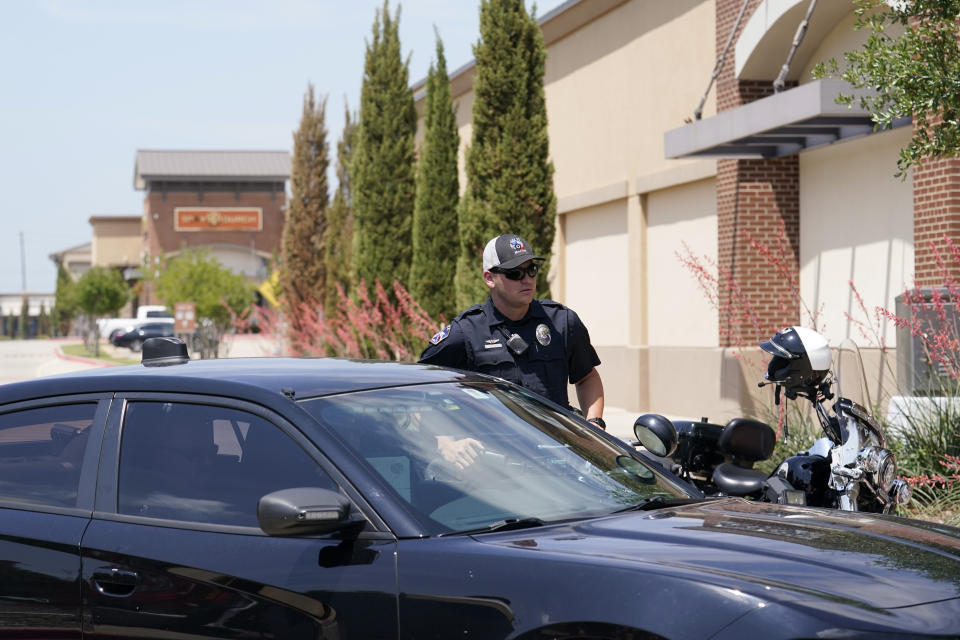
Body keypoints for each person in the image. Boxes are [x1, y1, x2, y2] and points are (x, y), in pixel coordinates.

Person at [419, 233, 605, 448]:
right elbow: (419, 388)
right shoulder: (466, 332)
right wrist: (446, 441)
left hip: (557, 453)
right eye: (514, 273)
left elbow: (587, 377)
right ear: (489, 278)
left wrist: (594, 423)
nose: (526, 279)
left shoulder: (561, 321)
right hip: (496, 459)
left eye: (531, 270)